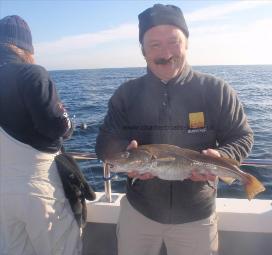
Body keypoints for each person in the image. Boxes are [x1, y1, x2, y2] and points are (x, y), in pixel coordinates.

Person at [96, 4, 254, 255]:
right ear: (143, 50)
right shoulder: (126, 95)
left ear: (187, 43)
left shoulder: (216, 90)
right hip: (139, 213)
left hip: (196, 216)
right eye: (154, 45)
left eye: (173, 42)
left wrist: (221, 157)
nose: (165, 53)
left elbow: (241, 136)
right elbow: (105, 142)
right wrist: (124, 153)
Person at [0, 15, 82, 254]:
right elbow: (57, 128)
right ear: (25, 46)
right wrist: (68, 121)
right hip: (37, 187)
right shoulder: (32, 74)